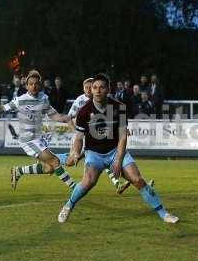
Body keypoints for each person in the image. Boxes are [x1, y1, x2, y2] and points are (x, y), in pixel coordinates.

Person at [58, 73, 179, 224]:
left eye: (101, 87)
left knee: (137, 179)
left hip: (115, 150)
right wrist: (76, 152)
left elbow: (123, 137)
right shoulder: (83, 111)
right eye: (94, 87)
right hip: (94, 154)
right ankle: (68, 205)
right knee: (89, 181)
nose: (97, 90)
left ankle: (164, 213)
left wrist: (118, 160)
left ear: (108, 89)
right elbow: (79, 138)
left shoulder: (119, 108)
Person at [0, 69, 77, 190]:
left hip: (39, 138)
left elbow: (54, 115)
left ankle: (18, 171)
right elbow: (3, 107)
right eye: (31, 84)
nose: (34, 86)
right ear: (26, 86)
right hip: (28, 140)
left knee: (49, 168)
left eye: (36, 83)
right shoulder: (20, 100)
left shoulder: (44, 98)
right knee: (55, 161)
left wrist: (64, 118)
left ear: (40, 85)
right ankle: (76, 188)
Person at [58, 77, 131, 194]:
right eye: (86, 88)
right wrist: (75, 132)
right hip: (82, 135)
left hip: (94, 137)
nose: (88, 90)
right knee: (71, 161)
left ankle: (117, 183)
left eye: (89, 87)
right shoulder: (79, 101)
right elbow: (68, 117)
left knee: (102, 155)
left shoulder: (101, 100)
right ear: (84, 89)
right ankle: (53, 159)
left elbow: (112, 118)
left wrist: (123, 129)